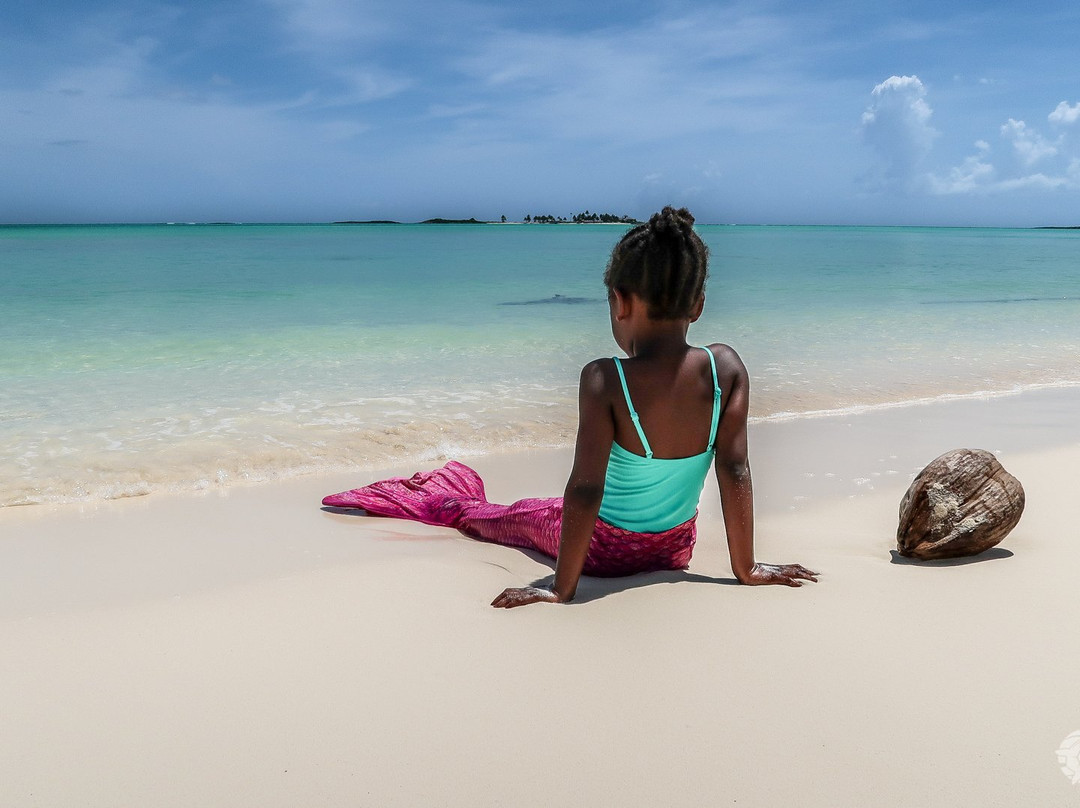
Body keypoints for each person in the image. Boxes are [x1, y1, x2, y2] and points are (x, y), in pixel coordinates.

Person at [323, 206, 818, 607]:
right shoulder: (725, 369)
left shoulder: (606, 378)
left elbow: (585, 491)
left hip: (601, 552)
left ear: (620, 303)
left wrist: (561, 588)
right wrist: (747, 568)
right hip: (675, 549)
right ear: (698, 305)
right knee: (547, 507)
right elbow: (735, 470)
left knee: (505, 515)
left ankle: (447, 498)